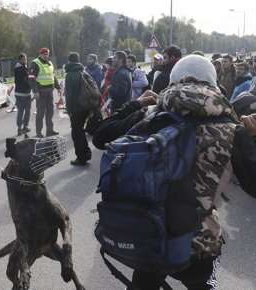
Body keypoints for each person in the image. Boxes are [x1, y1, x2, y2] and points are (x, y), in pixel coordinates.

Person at [94, 55, 240, 290]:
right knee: (206, 283)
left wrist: (136, 104)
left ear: (172, 82)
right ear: (214, 84)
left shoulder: (150, 114)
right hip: (199, 243)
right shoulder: (232, 128)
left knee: (144, 282)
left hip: (150, 232)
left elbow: (100, 136)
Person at [64, 52, 92, 166]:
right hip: (86, 106)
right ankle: (86, 153)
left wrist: (69, 110)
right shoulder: (84, 72)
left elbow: (69, 95)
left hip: (76, 108)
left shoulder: (70, 75)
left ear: (69, 61)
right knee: (81, 131)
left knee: (77, 133)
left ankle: (81, 157)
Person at [29, 48, 61, 138]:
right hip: (40, 92)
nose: (46, 55)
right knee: (40, 113)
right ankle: (39, 132)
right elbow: (31, 78)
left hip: (49, 91)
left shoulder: (50, 63)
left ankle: (49, 131)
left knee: (50, 112)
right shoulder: (35, 63)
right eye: (44, 54)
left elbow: (52, 76)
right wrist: (35, 91)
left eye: (47, 54)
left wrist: (58, 87)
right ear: (40, 54)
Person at [14, 53, 32, 136]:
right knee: (21, 112)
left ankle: (25, 127)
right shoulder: (19, 69)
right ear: (20, 60)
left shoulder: (24, 68)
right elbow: (26, 80)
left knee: (28, 111)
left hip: (27, 94)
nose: (25, 60)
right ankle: (19, 128)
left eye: (26, 59)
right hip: (20, 94)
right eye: (24, 59)